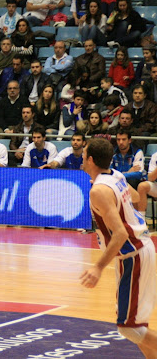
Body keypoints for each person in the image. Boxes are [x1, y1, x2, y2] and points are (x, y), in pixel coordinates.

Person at [81, 137, 157, 358]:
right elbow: (136, 196)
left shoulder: (99, 190)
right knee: (136, 324)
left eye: (84, 153)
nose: (82, 157)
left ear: (91, 159)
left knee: (129, 328)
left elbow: (121, 233)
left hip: (134, 254)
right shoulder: (115, 175)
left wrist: (97, 267)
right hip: (138, 250)